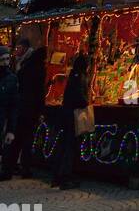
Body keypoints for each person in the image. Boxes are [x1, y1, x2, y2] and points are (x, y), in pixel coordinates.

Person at [2, 34, 46, 179]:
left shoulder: (28, 65)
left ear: (26, 49)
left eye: (19, 48)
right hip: (27, 109)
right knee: (24, 140)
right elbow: (39, 91)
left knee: (19, 140)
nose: (16, 51)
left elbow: (35, 90)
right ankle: (21, 168)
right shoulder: (28, 64)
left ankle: (12, 168)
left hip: (25, 109)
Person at [51, 53, 90, 190]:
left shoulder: (73, 75)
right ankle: (65, 177)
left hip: (66, 114)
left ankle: (57, 175)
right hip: (73, 115)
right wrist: (86, 102)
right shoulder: (80, 77)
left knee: (63, 145)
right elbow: (79, 96)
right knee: (70, 146)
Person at [0, 46, 19, 180]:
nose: (6, 62)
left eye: (7, 58)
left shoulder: (12, 78)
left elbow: (14, 105)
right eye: (3, 59)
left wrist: (11, 129)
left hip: (3, 120)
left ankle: (5, 172)